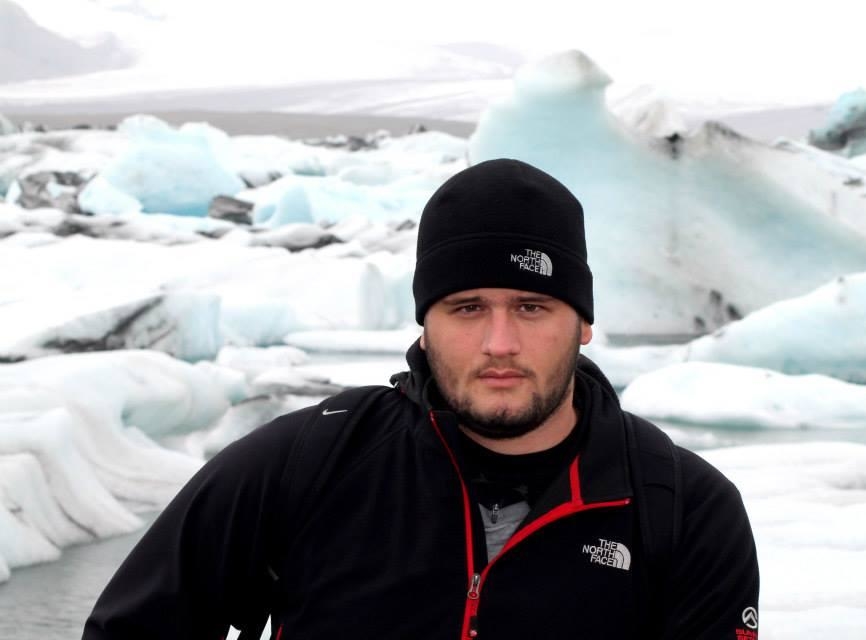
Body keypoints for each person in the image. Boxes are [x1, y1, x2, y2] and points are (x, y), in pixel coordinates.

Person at [83, 158, 759, 640]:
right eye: (467, 308)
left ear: (582, 322)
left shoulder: (682, 509)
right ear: (425, 323)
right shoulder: (307, 461)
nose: (499, 342)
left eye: (531, 307)